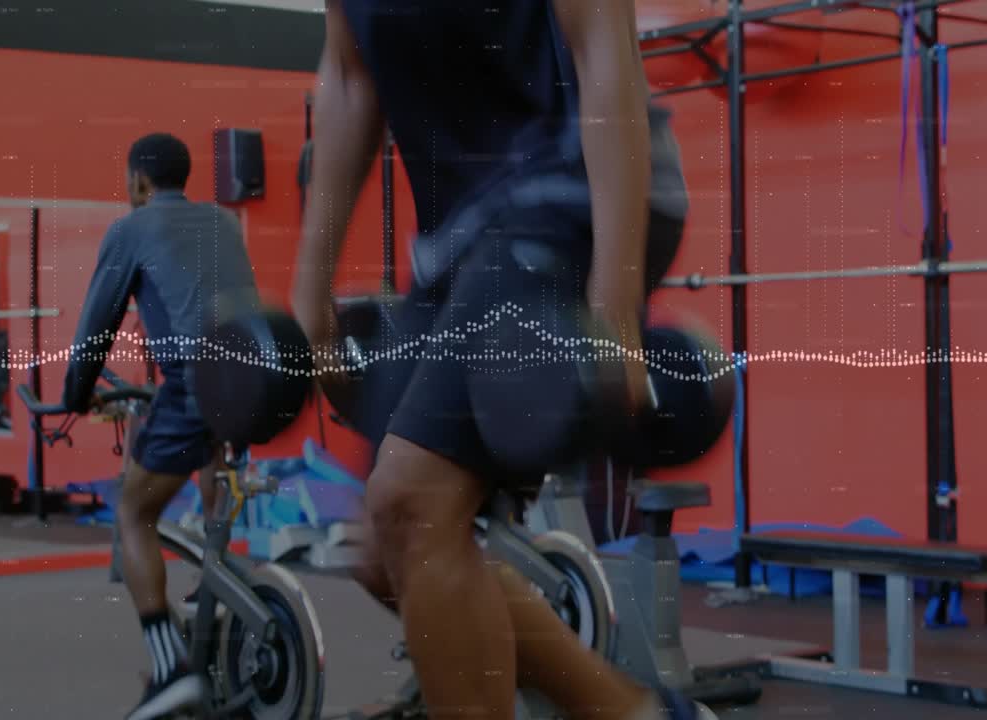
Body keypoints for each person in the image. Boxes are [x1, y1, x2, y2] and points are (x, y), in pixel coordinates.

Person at [293, 2, 699, 719]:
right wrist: (309, 286)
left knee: (412, 503)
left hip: (572, 192)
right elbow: (352, 79)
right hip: (459, 239)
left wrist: (613, 303)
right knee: (384, 549)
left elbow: (603, 49)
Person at [61, 132, 260, 720]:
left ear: (139, 183)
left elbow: (98, 327)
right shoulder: (223, 223)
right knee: (208, 456)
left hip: (197, 385)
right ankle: (216, 592)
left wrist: (75, 395)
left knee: (133, 510)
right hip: (254, 380)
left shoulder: (132, 229)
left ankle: (170, 669)